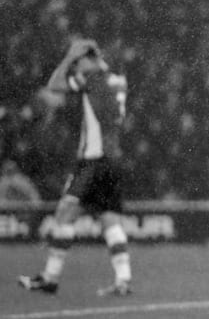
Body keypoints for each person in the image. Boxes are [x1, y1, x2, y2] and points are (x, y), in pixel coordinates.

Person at [18, 38, 132, 296]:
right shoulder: (119, 80)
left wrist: (70, 58)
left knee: (65, 212)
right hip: (113, 159)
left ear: (90, 59)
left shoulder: (91, 78)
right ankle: (123, 280)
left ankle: (50, 278)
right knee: (109, 218)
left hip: (94, 160)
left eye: (81, 60)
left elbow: (54, 85)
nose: (78, 65)